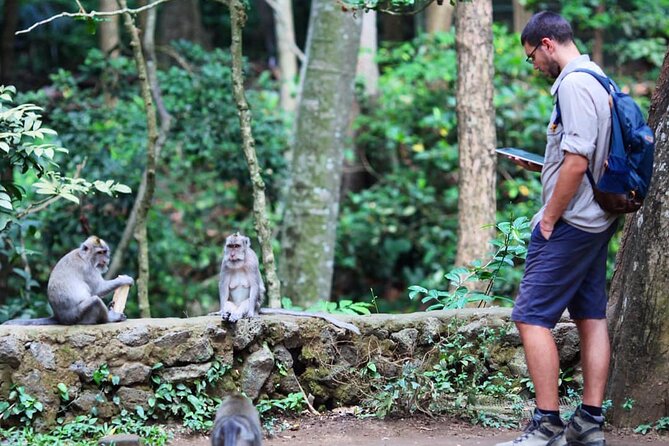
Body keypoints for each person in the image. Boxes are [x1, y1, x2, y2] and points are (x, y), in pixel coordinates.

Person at [496, 11, 617, 446]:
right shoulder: (599, 78)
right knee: (590, 317)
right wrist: (541, 166)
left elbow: (578, 159)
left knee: (530, 316)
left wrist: (548, 217)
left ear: (547, 43)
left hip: (571, 223)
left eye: (532, 57)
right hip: (596, 218)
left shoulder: (573, 83)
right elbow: (583, 155)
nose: (534, 65)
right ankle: (588, 422)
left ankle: (547, 422)